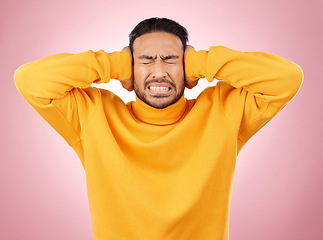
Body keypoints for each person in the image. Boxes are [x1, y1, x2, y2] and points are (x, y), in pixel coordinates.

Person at [14, 17, 303, 240]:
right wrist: (114, 64)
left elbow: (286, 78)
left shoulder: (222, 111)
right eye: (145, 60)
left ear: (188, 69)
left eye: (171, 59)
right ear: (129, 69)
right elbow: (31, 80)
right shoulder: (93, 115)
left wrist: (201, 61)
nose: (159, 71)